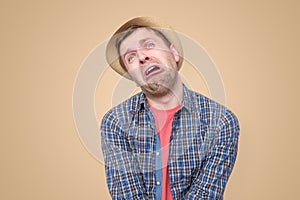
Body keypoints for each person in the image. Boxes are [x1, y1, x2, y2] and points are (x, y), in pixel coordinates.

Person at [101, 16, 240, 200]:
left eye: (149, 45)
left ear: (174, 54)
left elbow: (205, 195)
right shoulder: (115, 123)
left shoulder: (221, 122)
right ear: (132, 77)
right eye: (131, 57)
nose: (142, 57)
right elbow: (128, 196)